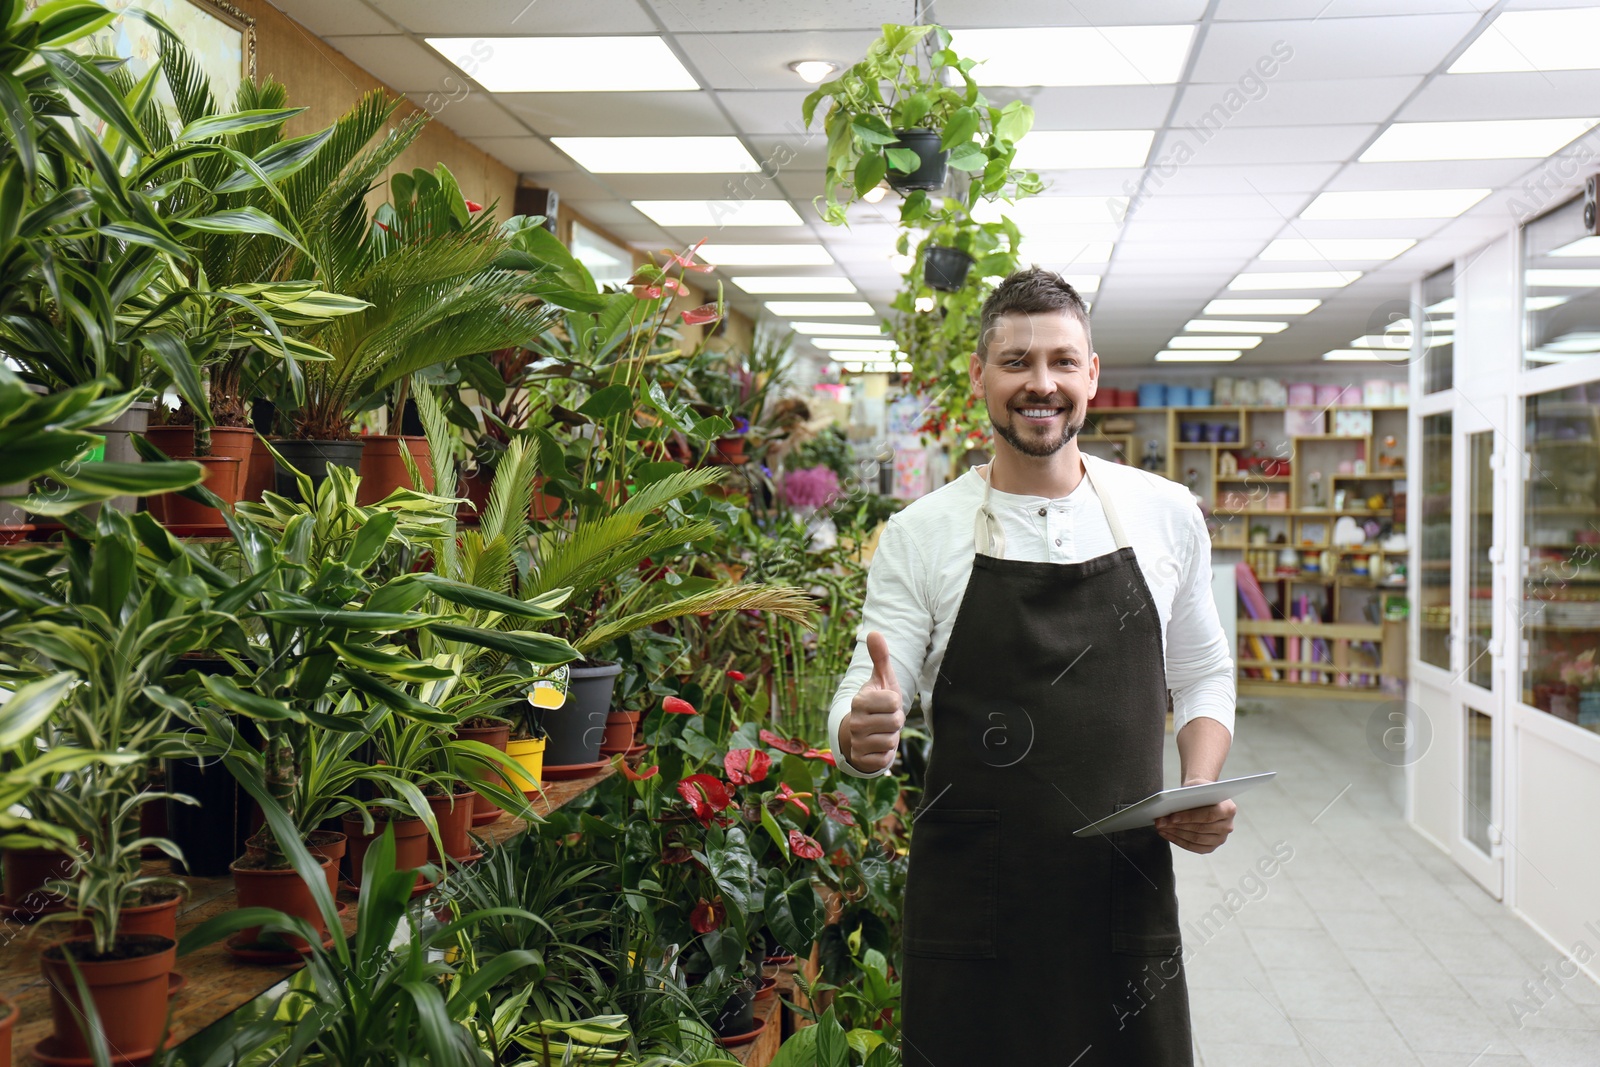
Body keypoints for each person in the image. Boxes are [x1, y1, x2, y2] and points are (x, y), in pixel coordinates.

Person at [826, 268, 1238, 1066]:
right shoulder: (922, 532)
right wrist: (861, 729)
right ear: (979, 376)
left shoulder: (1166, 514)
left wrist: (1200, 786)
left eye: (1060, 360)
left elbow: (1202, 673)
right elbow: (868, 686)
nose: (1039, 382)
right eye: (1016, 361)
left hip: (1120, 895)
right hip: (974, 907)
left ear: (1091, 375)